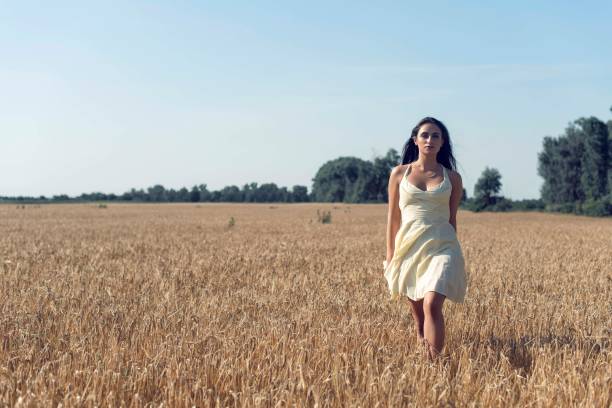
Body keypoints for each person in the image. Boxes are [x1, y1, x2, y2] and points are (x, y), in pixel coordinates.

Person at [383, 116, 468, 360]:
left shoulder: (452, 178)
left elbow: (452, 218)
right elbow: (393, 218)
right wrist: (390, 256)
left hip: (443, 246)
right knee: (419, 315)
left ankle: (434, 364)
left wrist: (455, 252)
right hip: (409, 245)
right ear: (415, 140)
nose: (430, 139)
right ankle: (422, 340)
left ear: (442, 143)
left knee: (432, 304)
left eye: (436, 136)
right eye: (425, 135)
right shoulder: (399, 174)